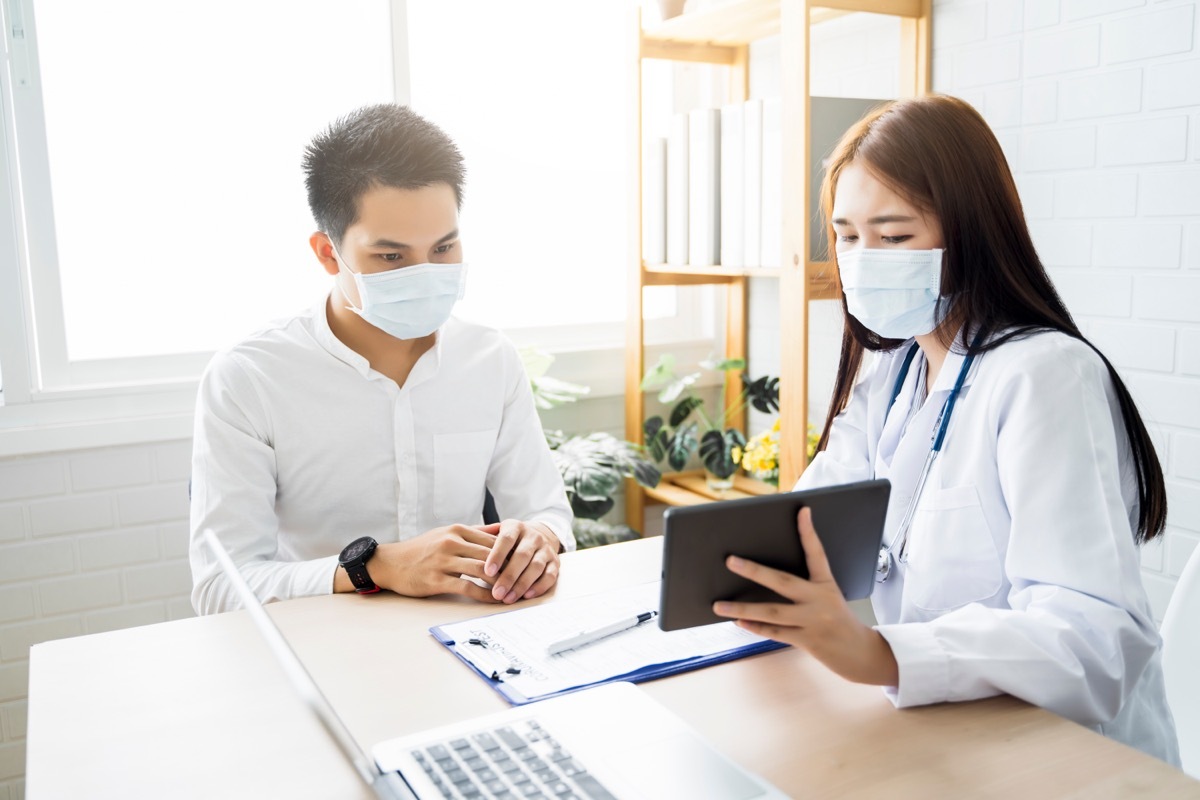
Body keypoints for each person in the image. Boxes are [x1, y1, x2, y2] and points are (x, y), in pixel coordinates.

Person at [712, 94, 1181, 765]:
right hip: (948, 738)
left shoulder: (1044, 376)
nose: (865, 258)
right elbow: (806, 529)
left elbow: (1095, 641)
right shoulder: (895, 373)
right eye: (847, 236)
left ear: (972, 233)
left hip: (1067, 759)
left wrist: (880, 653)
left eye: (895, 236)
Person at [189, 104, 573, 615]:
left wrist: (539, 540)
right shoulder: (249, 378)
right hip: (321, 646)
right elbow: (220, 587)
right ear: (328, 253)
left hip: (476, 637)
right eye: (391, 257)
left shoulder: (489, 359)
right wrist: (375, 566)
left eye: (443, 248)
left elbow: (546, 511)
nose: (425, 274)